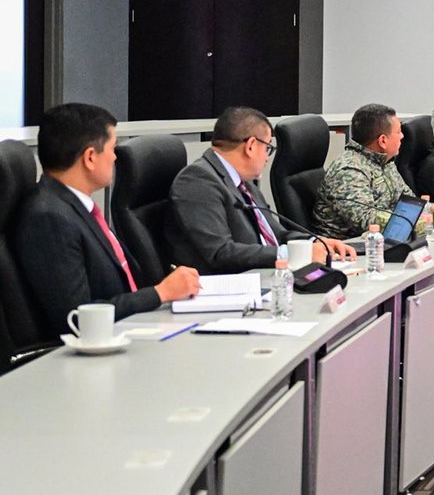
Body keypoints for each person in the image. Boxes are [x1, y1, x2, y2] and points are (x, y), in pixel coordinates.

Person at [14, 103, 201, 334]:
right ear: (90, 157)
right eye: (112, 148)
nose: (114, 157)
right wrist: (159, 293)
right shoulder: (49, 218)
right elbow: (76, 315)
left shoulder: (74, 206)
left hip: (131, 328)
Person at [168, 107, 353, 274]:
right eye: (267, 148)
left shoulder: (242, 182)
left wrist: (315, 242)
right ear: (251, 146)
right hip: (230, 286)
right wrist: (293, 255)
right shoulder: (197, 181)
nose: (267, 157)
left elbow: (277, 235)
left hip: (267, 277)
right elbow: (220, 253)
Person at [312, 103, 412, 238]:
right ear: (383, 140)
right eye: (398, 132)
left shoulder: (385, 162)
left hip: (385, 239)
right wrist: (412, 219)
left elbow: (409, 201)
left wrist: (432, 210)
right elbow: (366, 221)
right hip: (348, 245)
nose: (402, 136)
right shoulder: (348, 170)